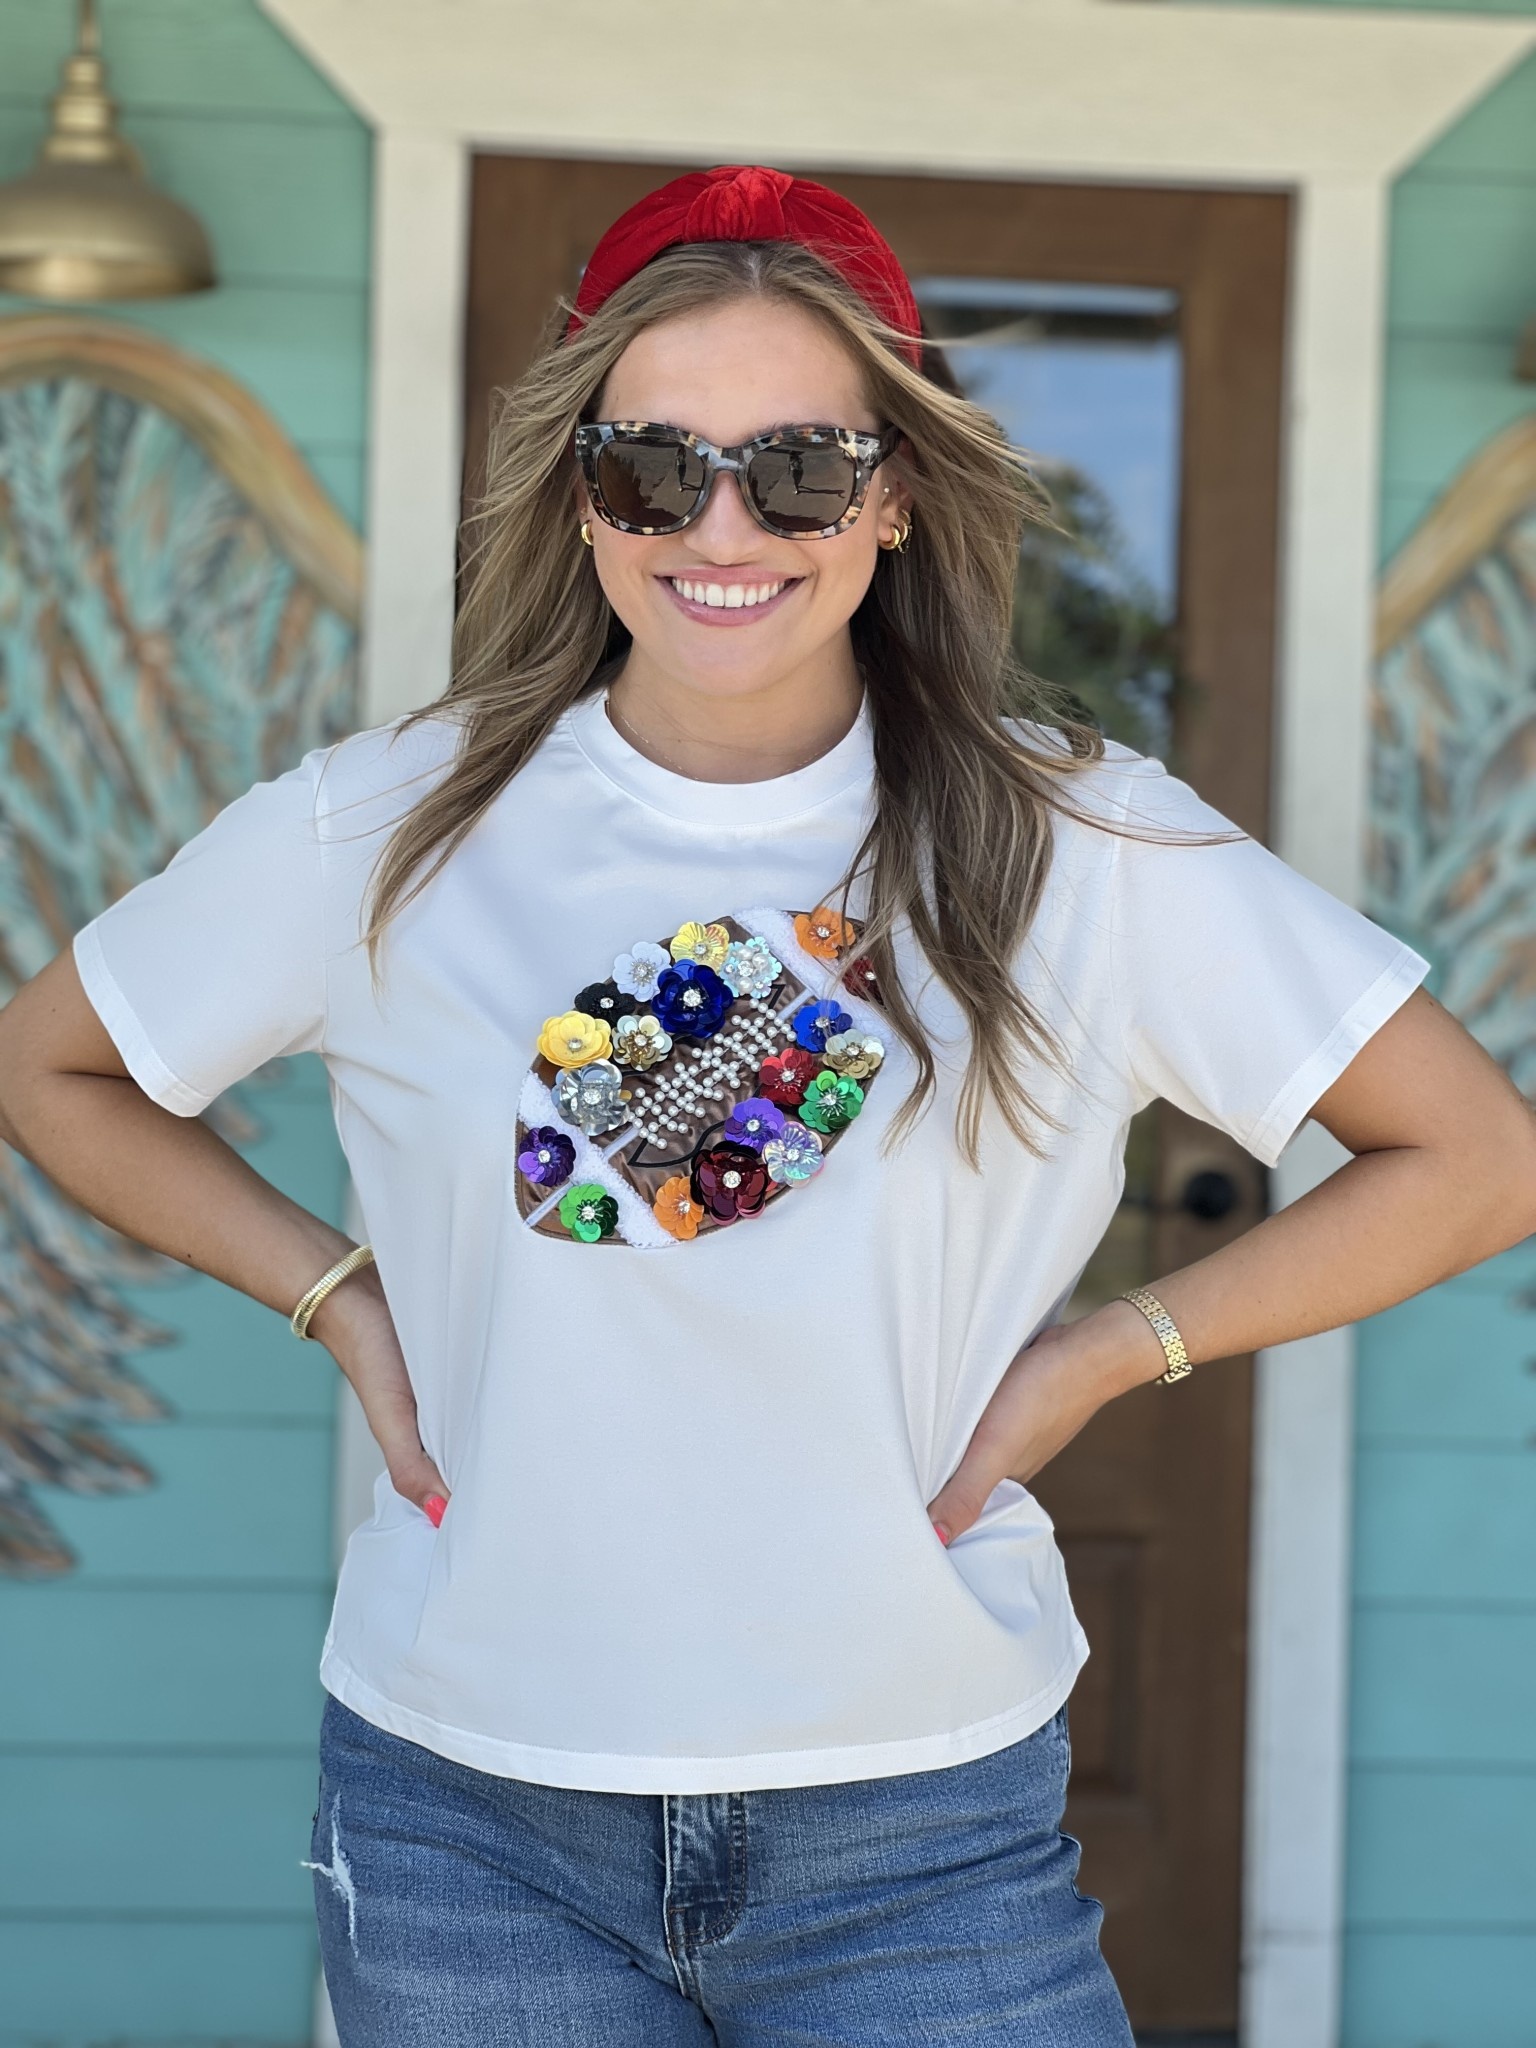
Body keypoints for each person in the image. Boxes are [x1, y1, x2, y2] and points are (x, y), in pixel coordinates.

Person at [0, 163, 1531, 2047]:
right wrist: (339, 1298)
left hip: (917, 1821)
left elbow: (1473, 1155)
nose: (724, 525)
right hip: (469, 1809)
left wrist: (1103, 1355)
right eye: (656, 467)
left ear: (890, 499)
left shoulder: (1080, 839)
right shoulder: (384, 827)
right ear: (584, 498)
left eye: (799, 467)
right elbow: (53, 1066)